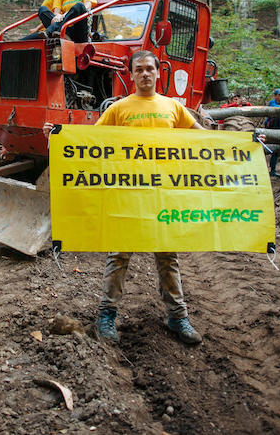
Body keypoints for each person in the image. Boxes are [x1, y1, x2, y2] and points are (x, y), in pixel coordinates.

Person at [43, 50, 205, 345]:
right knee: (119, 255)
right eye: (139, 69)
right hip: (127, 195)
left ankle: (177, 316)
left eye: (150, 69)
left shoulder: (174, 108)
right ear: (131, 75)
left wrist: (242, 144)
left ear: (158, 73)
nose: (145, 74)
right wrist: (59, 135)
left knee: (168, 257)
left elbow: (203, 139)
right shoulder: (119, 109)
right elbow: (90, 142)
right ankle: (106, 315)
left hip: (162, 195)